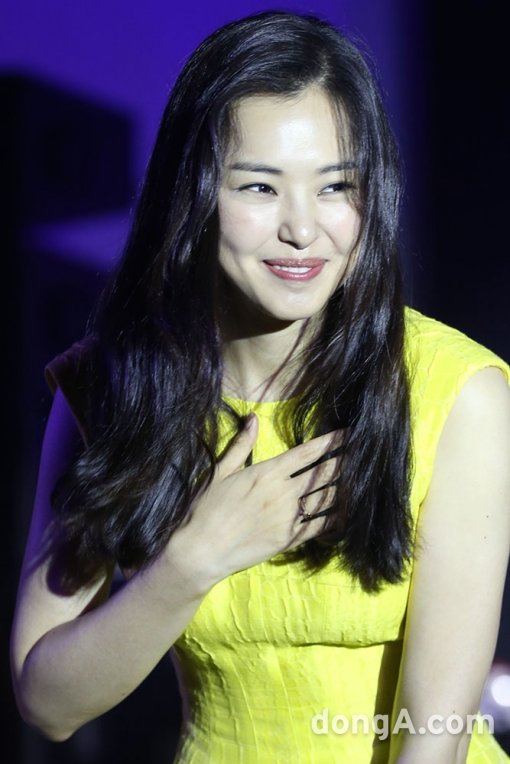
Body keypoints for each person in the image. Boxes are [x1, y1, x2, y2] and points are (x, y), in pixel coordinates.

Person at [10, 10, 510, 764]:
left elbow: (433, 742)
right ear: (194, 193)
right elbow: (48, 704)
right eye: (259, 187)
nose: (303, 230)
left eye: (336, 185)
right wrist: (192, 561)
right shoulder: (111, 387)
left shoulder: (454, 392)